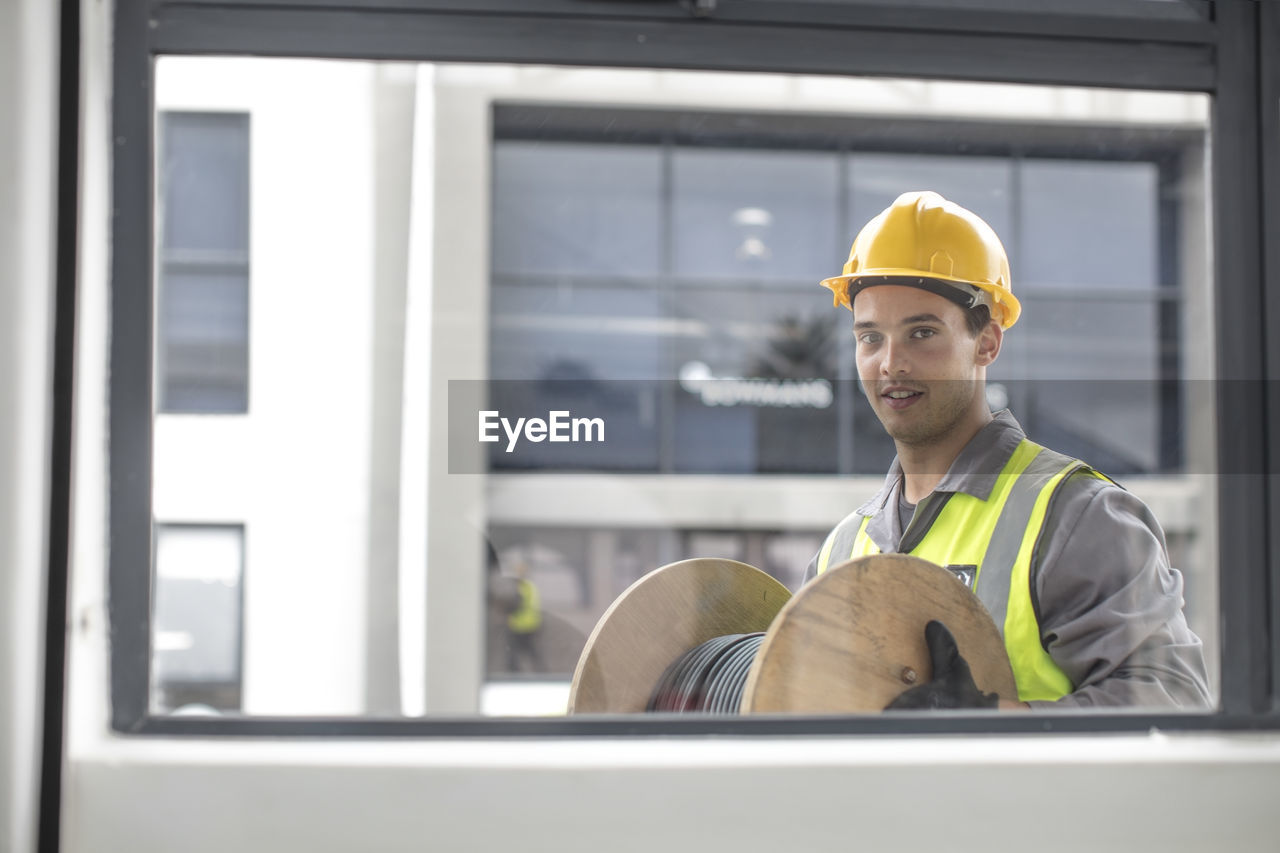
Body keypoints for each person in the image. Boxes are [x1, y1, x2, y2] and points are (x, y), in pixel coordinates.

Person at [806, 190, 1210, 710]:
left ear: (987, 343)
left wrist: (995, 721)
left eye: (922, 332)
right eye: (870, 338)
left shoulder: (1079, 517)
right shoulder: (841, 550)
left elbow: (1173, 699)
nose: (891, 364)